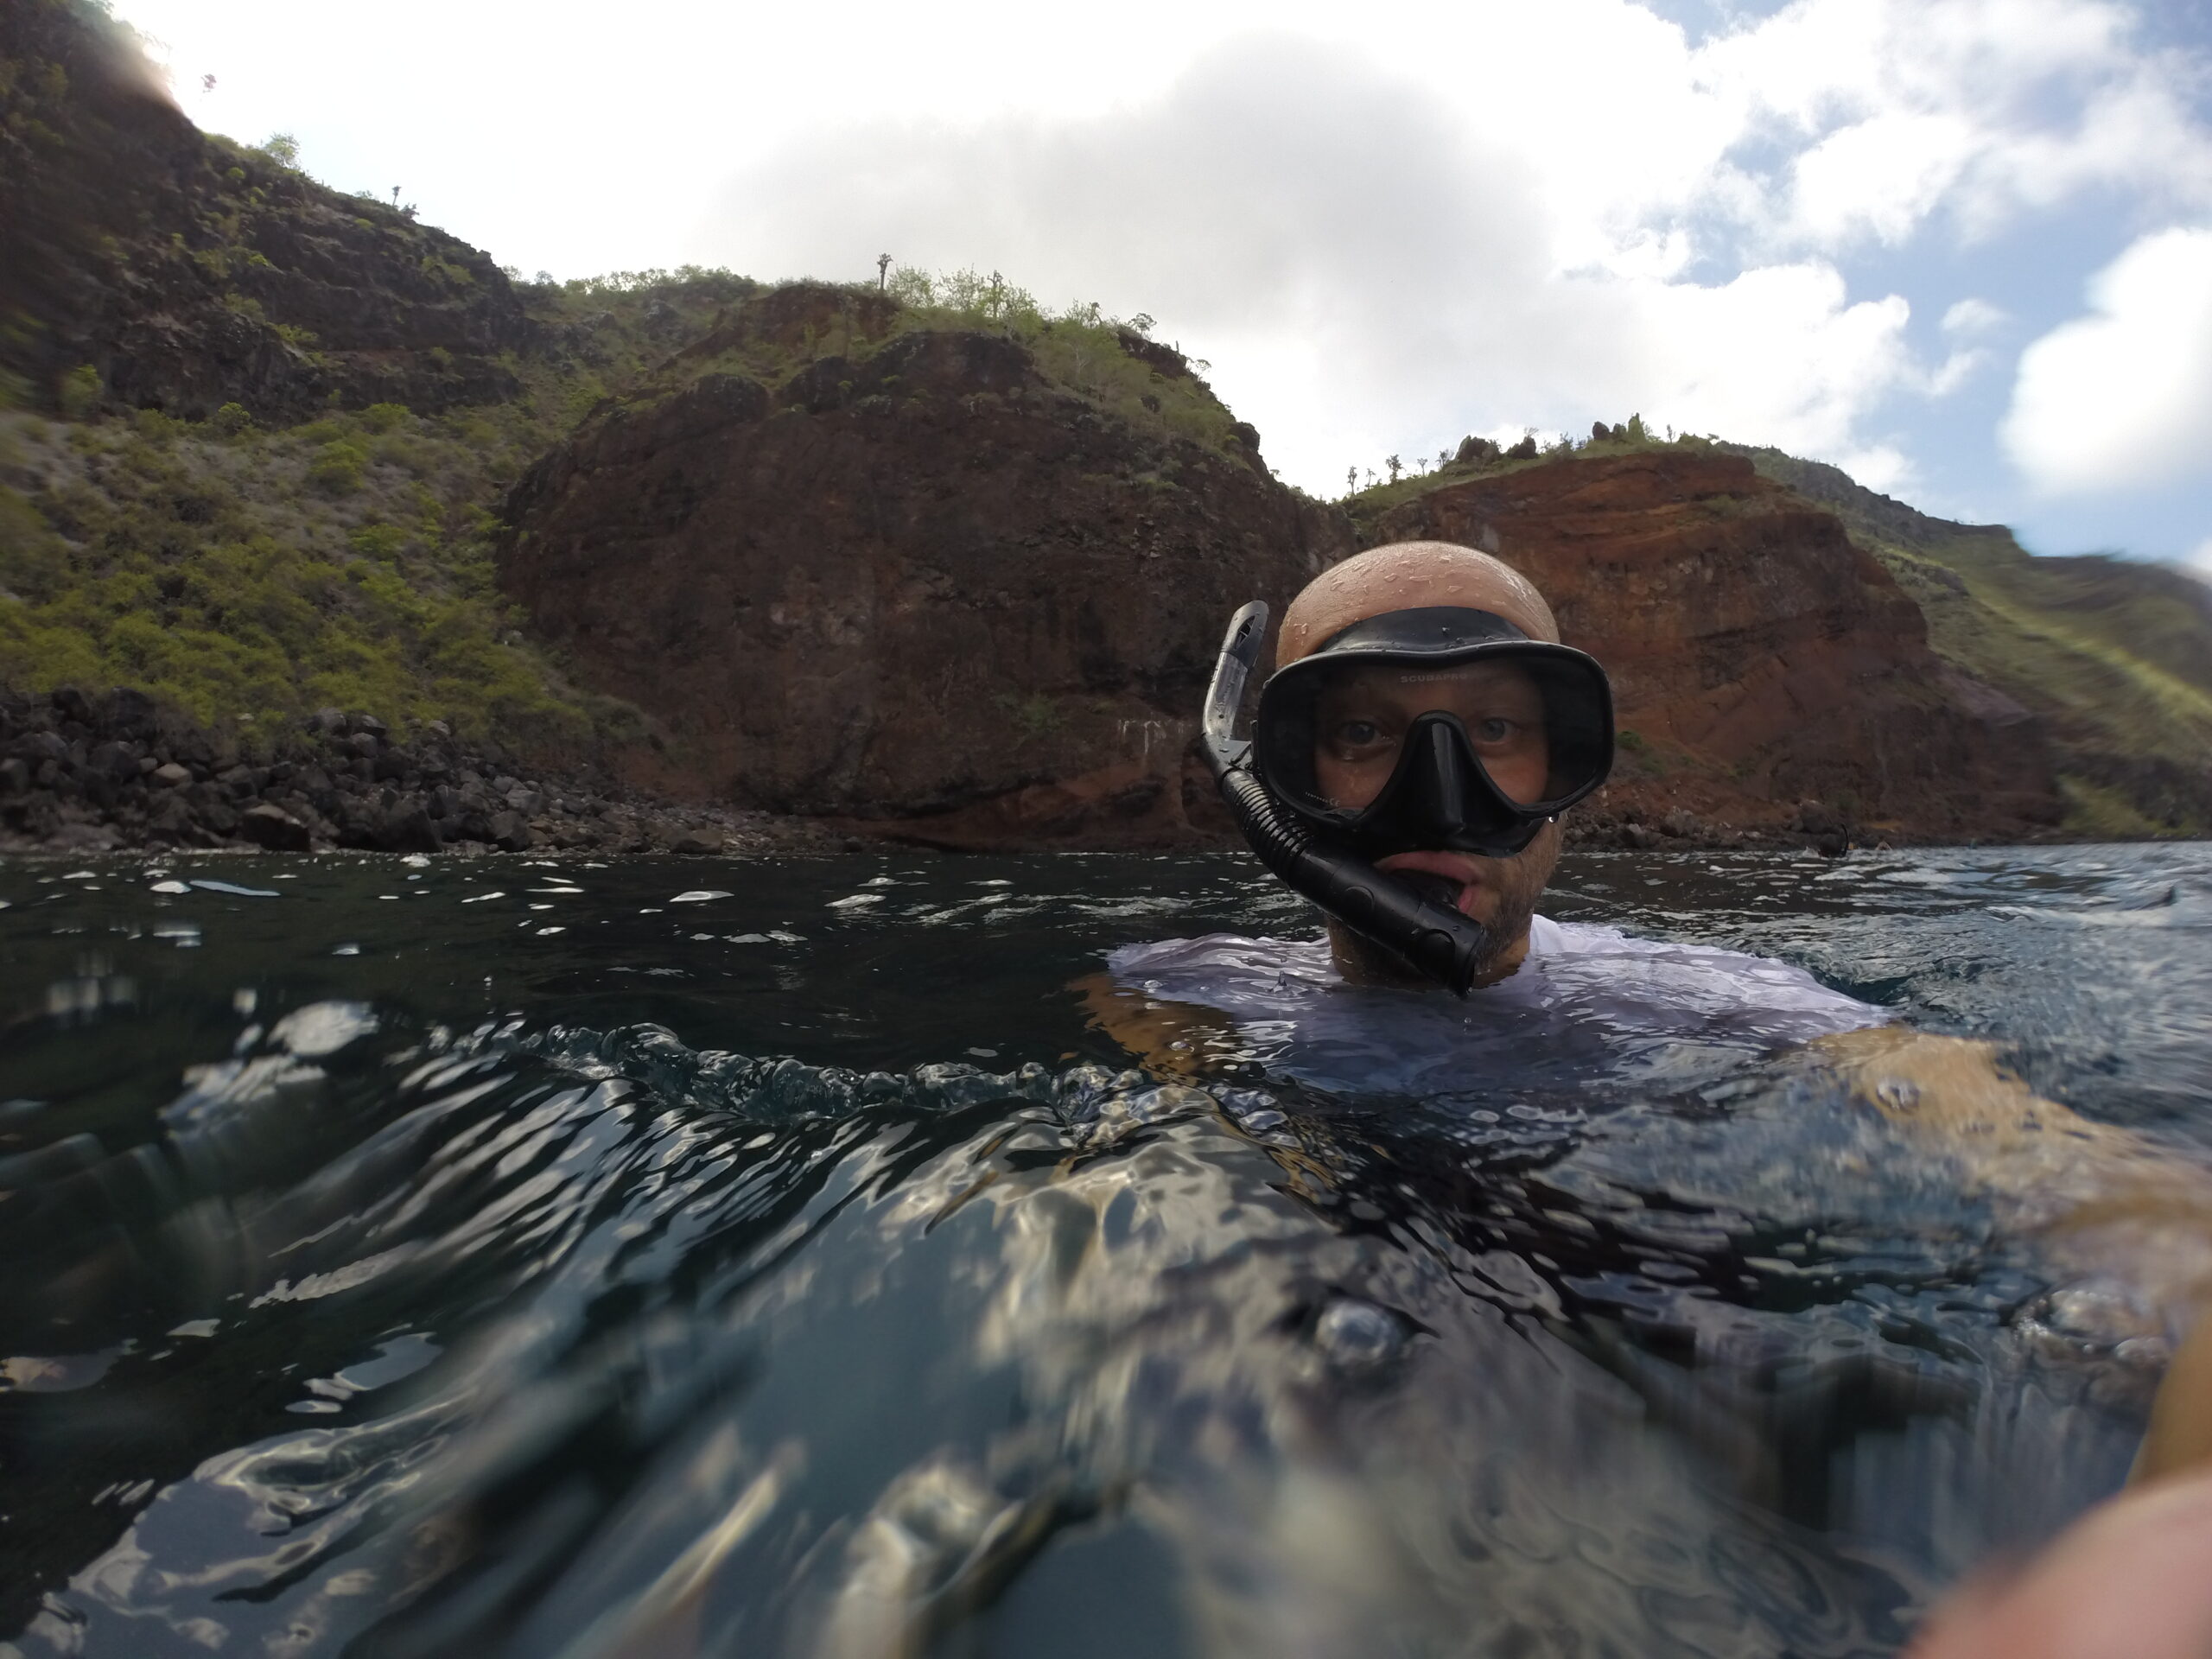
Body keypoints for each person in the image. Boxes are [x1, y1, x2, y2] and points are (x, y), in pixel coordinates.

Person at [1083, 537, 2212, 1656]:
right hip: (1361, 1400)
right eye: (1364, 733)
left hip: (1693, 1392)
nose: (1441, 799)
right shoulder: (1176, 987)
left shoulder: (1718, 998)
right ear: (1277, 780)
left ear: (1566, 768)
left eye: (1497, 732)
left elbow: (2057, 1165)